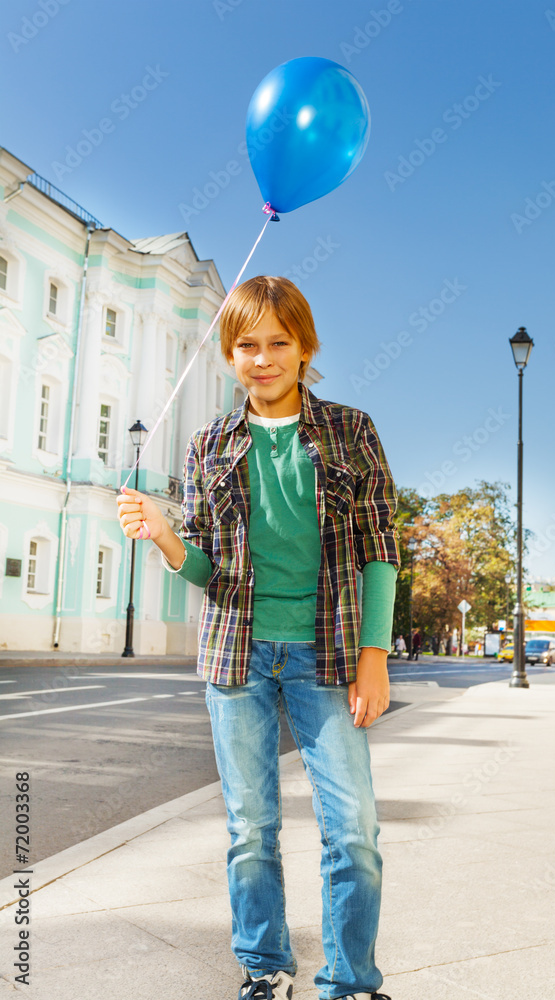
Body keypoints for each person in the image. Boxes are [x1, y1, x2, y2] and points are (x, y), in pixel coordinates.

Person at [116, 276, 398, 1000]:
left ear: (306, 349)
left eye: (279, 342)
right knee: (250, 830)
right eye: (247, 345)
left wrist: (374, 657)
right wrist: (165, 537)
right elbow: (210, 569)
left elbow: (378, 549)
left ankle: (349, 981)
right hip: (235, 655)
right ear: (227, 354)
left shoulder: (351, 430)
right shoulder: (210, 442)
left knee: (355, 832)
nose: (263, 358)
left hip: (326, 654)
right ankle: (264, 969)